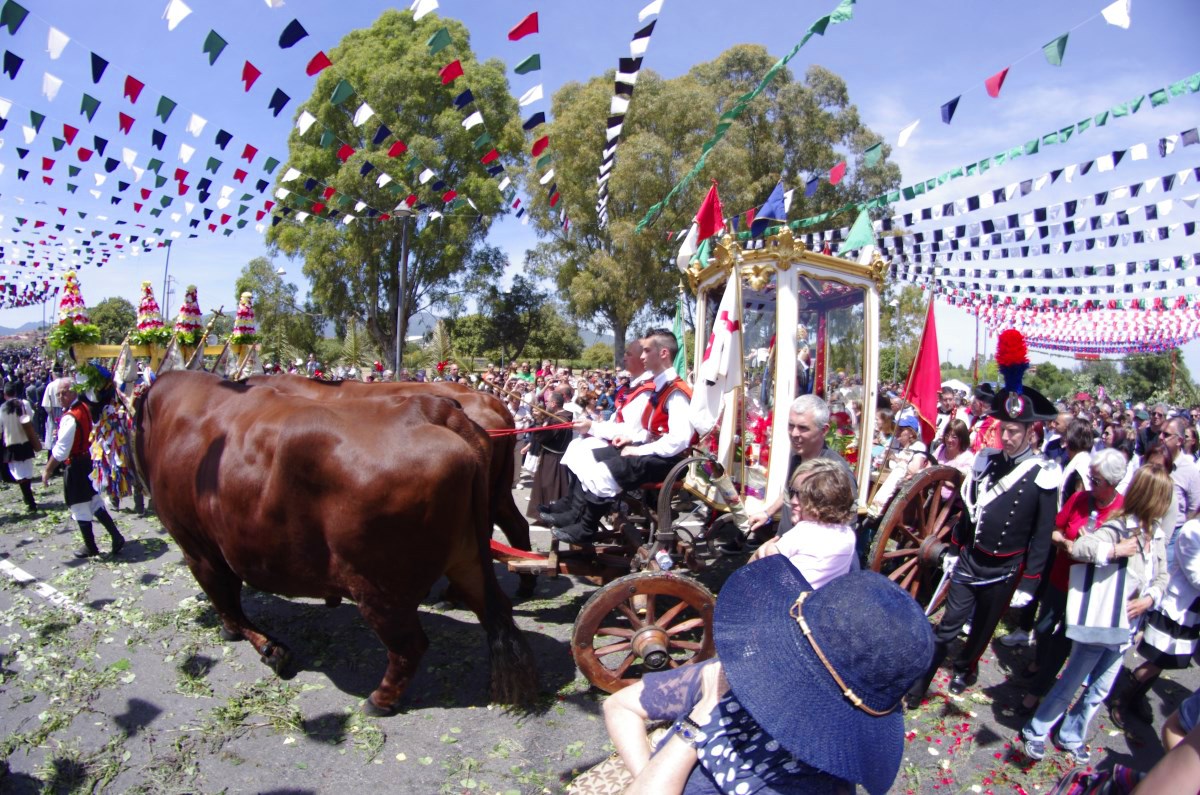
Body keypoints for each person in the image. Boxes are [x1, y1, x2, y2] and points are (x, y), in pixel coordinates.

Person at [601, 559, 935, 795]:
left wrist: (692, 730)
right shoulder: (733, 679)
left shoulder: (812, 786)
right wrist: (649, 775)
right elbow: (621, 707)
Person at [905, 339, 1060, 707]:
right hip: (972, 559)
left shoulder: (1044, 473)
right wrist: (956, 549)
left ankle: (966, 667)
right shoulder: (984, 460)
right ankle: (920, 684)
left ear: (1030, 433)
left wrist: (1030, 581)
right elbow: (968, 510)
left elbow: (1041, 536)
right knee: (947, 627)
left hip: (1005, 568)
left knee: (981, 632)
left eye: (1014, 431)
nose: (1006, 437)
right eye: (1004, 429)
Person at [1020, 464, 1171, 764]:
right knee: (1072, 680)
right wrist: (1114, 551)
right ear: (1152, 497)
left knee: (1099, 688)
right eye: (1165, 498)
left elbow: (1162, 577)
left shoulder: (1156, 536)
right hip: (1102, 621)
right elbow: (1081, 548)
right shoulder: (1119, 527)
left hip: (1128, 628)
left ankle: (1070, 735)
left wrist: (1150, 598)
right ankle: (1036, 730)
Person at [547, 330, 693, 545]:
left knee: (603, 471)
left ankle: (585, 528)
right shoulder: (663, 388)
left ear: (663, 353)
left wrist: (638, 448)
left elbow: (679, 440)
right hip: (652, 450)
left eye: (646, 351)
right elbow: (652, 429)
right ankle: (575, 513)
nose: (642, 357)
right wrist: (632, 440)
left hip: (668, 460)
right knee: (588, 456)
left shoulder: (676, 391)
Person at [1013, 449, 1127, 714]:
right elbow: (1054, 529)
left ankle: (1035, 692)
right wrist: (1065, 542)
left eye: (1096, 480)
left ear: (1112, 484)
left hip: (1087, 589)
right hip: (1060, 577)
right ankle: (1039, 662)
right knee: (1042, 627)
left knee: (1062, 640)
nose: (1091, 482)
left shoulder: (1121, 512)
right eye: (1091, 477)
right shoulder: (1079, 499)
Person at [1111, 512, 1200, 728]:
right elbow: (1195, 574)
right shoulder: (1192, 530)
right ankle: (1121, 699)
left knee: (1168, 661)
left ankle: (1136, 698)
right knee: (1159, 658)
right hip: (1175, 607)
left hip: (1191, 611)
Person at [747, 394, 855, 538]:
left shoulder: (836, 472)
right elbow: (789, 490)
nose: (794, 433)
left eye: (803, 428)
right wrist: (768, 513)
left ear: (824, 430)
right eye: (791, 426)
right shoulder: (797, 454)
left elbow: (845, 530)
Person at [42, 379, 125, 558]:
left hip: (76, 465)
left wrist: (48, 470)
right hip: (86, 461)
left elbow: (61, 451)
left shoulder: (72, 416)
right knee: (94, 501)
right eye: (58, 394)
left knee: (79, 506)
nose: (60, 397)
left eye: (64, 393)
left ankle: (91, 546)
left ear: (73, 392)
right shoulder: (83, 409)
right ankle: (116, 536)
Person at [749, 458, 857, 589]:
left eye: (800, 495)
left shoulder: (803, 532)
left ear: (822, 501)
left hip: (788, 602)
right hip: (822, 601)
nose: (793, 501)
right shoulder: (847, 534)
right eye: (792, 492)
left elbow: (761, 566)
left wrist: (760, 552)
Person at [525, 392, 574, 522]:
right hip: (556, 456)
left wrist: (539, 423)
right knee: (552, 485)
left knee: (548, 485)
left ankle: (549, 516)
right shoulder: (564, 417)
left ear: (553, 403)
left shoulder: (557, 419)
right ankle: (549, 515)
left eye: (548, 402)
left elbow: (542, 437)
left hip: (552, 457)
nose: (546, 405)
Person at [0, 380, 39, 513]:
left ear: (5, 394)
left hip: (11, 443)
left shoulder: (2, 408)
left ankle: (29, 500)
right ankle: (29, 499)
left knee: (19, 473)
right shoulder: (24, 404)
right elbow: (30, 418)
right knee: (26, 472)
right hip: (25, 441)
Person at [968, 384, 1000, 454]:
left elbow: (988, 444)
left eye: (974, 403)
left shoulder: (994, 423)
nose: (971, 406)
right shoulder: (975, 418)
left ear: (982, 405)